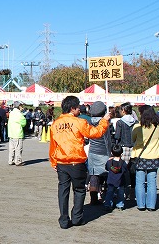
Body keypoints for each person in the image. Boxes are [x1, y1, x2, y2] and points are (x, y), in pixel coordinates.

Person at [49, 96, 111, 229]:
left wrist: (53, 161)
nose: (80, 110)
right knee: (79, 190)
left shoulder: (55, 124)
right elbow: (95, 133)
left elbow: (53, 146)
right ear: (72, 108)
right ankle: (77, 217)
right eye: (78, 107)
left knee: (63, 191)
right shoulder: (79, 122)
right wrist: (104, 121)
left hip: (62, 162)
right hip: (76, 161)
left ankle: (64, 219)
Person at [131, 107, 159, 211]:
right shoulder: (158, 126)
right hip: (154, 156)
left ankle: (141, 204)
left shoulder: (138, 126)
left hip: (140, 156)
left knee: (139, 181)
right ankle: (151, 205)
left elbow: (133, 138)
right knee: (152, 182)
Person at [86, 101, 112, 205]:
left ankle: (93, 198)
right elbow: (107, 140)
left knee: (93, 174)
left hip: (92, 151)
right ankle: (105, 196)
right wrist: (110, 153)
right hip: (103, 152)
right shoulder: (104, 123)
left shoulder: (89, 122)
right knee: (106, 174)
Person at [104, 144, 130, 211]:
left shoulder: (109, 162)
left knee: (109, 192)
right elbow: (125, 171)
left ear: (112, 153)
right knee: (121, 193)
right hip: (120, 181)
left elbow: (106, 168)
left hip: (111, 180)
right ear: (121, 154)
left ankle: (108, 204)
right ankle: (120, 205)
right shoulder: (123, 163)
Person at [8, 101, 26, 166]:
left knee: (11, 148)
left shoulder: (11, 113)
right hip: (17, 133)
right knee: (18, 148)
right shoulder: (19, 114)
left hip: (11, 133)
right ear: (19, 106)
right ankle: (18, 161)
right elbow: (24, 123)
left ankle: (11, 160)